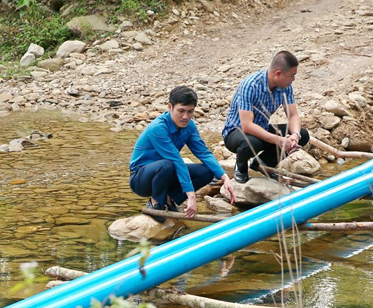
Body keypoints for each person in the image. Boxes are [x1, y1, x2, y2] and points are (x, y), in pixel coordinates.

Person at [129, 86, 235, 221]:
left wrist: (225, 178)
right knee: (168, 164)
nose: (185, 116)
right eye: (181, 111)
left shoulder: (189, 125)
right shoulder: (158, 128)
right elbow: (176, 159)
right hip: (141, 179)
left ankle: (169, 199)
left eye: (190, 111)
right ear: (170, 107)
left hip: (166, 172)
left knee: (207, 172)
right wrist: (191, 195)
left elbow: (203, 152)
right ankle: (155, 202)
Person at [221, 51, 310, 183]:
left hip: (261, 129)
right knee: (252, 142)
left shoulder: (286, 87)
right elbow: (247, 125)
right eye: (291, 75)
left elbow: (293, 116)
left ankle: (263, 164)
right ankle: (241, 167)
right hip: (236, 132)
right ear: (278, 73)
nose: (293, 79)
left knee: (303, 134)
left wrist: (295, 136)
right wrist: (278, 140)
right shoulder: (250, 85)